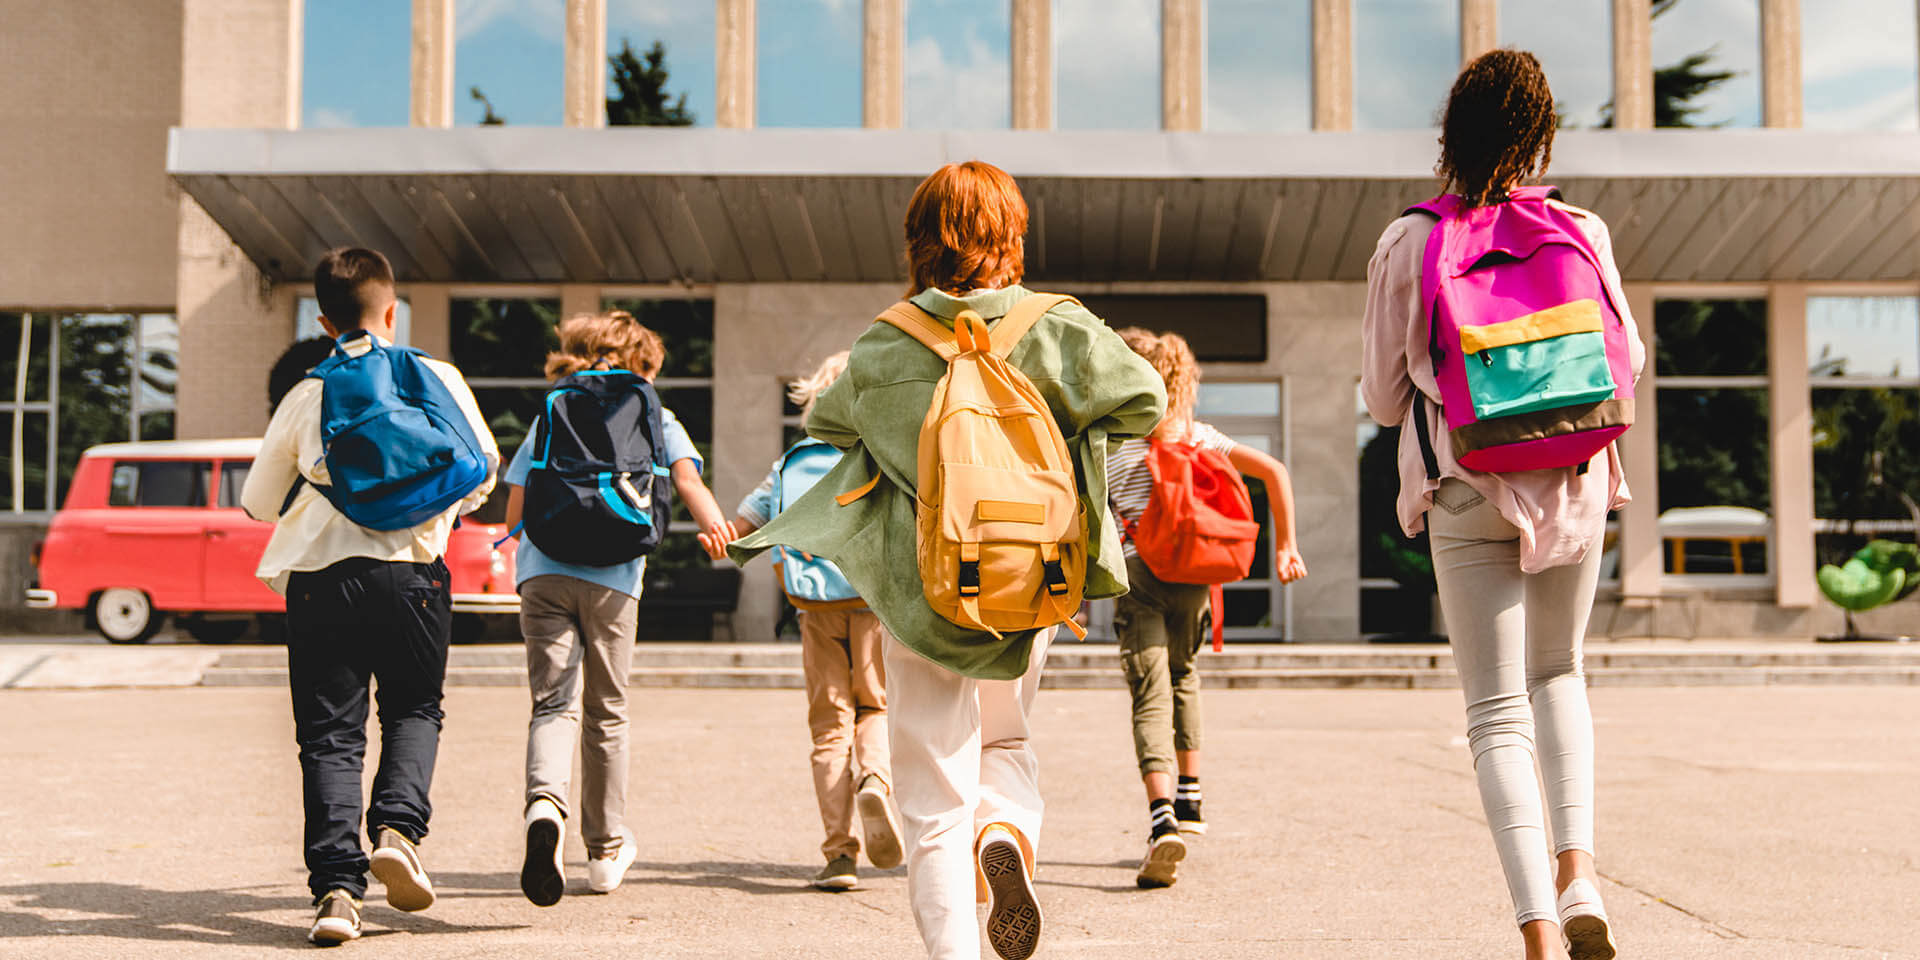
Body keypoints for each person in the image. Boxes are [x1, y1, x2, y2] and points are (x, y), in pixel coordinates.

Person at [729, 160, 1164, 960]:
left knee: (931, 792)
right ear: (1012, 234)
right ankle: (1003, 831)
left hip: (921, 590)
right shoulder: (1057, 324)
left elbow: (827, 427)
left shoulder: (884, 343)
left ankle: (954, 948)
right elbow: (1146, 399)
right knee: (1007, 740)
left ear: (918, 240)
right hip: (1032, 577)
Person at [1360, 50, 1642, 960]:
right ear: (1541, 135)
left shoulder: (1410, 240)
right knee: (1559, 674)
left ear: (1453, 132)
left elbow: (1380, 397)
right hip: (1574, 480)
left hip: (1467, 477)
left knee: (1494, 712)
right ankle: (1581, 874)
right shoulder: (1580, 227)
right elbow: (1625, 360)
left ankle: (1537, 933)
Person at [240, 247, 499, 946]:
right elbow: (482, 469)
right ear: (393, 311)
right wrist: (426, 513)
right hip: (414, 574)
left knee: (329, 735)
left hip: (322, 579)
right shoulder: (434, 376)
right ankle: (396, 830)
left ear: (324, 320)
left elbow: (257, 503)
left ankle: (335, 894)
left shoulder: (308, 392)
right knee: (415, 707)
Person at [504, 310, 731, 906]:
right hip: (614, 579)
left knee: (553, 705)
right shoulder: (655, 412)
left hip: (543, 573)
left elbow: (515, 509)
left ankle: (543, 809)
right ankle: (604, 852)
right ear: (643, 365)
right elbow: (687, 482)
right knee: (607, 713)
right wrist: (717, 532)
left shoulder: (553, 405)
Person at [1106, 327, 1307, 889]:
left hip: (1140, 573)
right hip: (1195, 575)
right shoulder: (1199, 436)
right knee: (1185, 674)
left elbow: (1089, 519)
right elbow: (1276, 472)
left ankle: (1162, 816)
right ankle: (1191, 798)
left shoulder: (1114, 444)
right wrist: (1287, 546)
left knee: (1150, 691)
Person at [698, 350, 903, 892]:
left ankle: (839, 854)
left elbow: (744, 525)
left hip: (814, 608)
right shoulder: (881, 453)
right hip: (873, 602)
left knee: (830, 728)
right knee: (875, 706)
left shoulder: (794, 459)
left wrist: (718, 537)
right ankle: (876, 779)